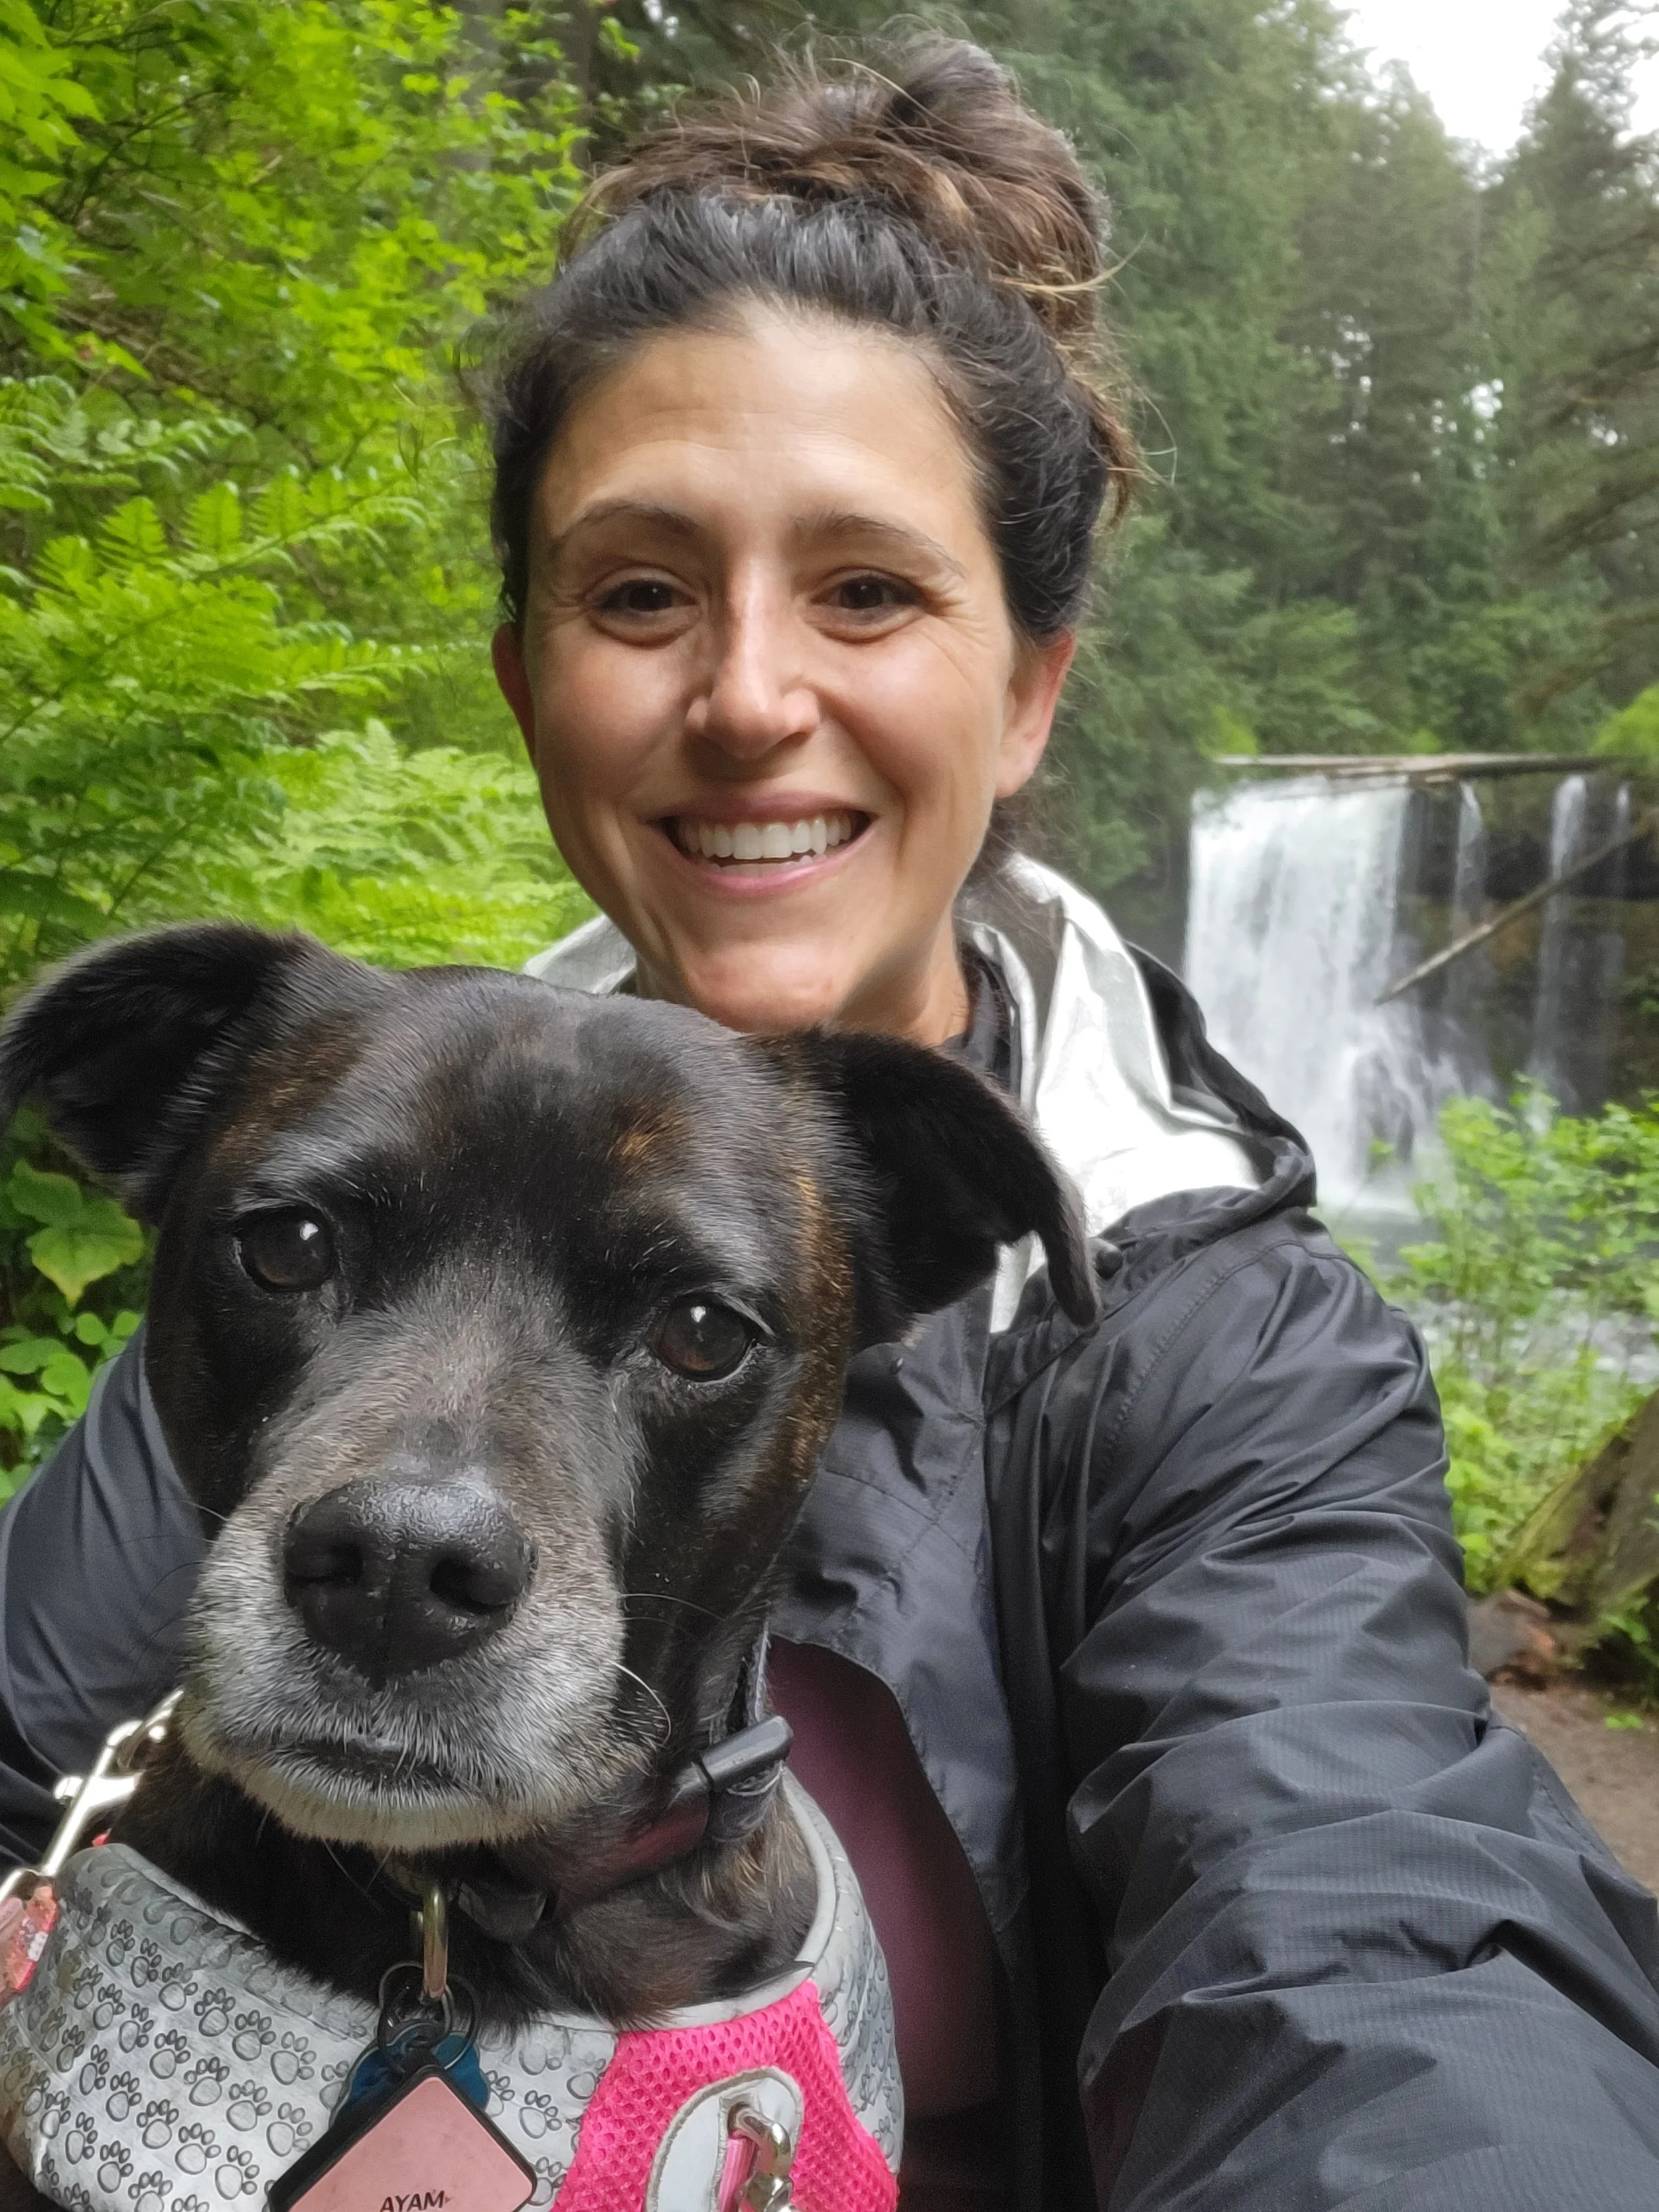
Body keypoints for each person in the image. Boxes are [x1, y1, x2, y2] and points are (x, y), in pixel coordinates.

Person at [1, 37, 1658, 2212]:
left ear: (1031, 676)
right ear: (525, 678)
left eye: (867, 590)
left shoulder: (1219, 1355)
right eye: (638, 590)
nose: (750, 694)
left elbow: (1369, 1924)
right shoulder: (325, 1125)